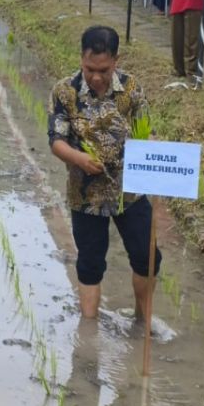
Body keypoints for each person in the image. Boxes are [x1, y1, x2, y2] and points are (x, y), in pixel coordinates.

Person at [47, 25, 161, 319]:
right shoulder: (65, 91)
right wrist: (79, 159)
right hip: (85, 193)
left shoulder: (131, 89)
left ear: (116, 60)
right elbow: (56, 141)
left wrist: (154, 155)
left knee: (147, 258)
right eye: (89, 69)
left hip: (129, 191)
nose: (96, 77)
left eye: (104, 70)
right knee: (90, 263)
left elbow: (145, 133)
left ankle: (142, 320)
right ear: (81, 59)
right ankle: (88, 330)